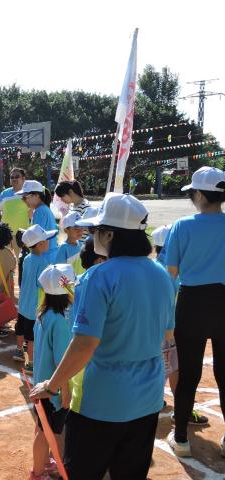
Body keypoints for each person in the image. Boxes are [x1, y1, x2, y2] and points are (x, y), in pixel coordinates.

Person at [30, 193, 176, 480]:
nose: (91, 235)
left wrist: (51, 385)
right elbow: (167, 335)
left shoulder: (97, 277)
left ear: (110, 234)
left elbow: (84, 344)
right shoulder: (162, 275)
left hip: (101, 403)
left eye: (96, 230)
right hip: (148, 399)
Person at [165, 166, 225, 457]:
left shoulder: (182, 226)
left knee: (188, 373)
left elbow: (171, 274)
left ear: (200, 194)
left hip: (191, 303)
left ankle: (181, 439)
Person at [152, 224, 209, 428]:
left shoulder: (153, 268)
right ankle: (181, 410)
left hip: (154, 327)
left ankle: (158, 402)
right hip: (172, 328)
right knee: (175, 369)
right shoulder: (175, 271)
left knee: (159, 366)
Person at [30, 264, 75, 480]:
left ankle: (44, 464)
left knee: (42, 427)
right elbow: (61, 363)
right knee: (45, 432)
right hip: (52, 390)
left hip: (41, 383)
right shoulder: (60, 323)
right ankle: (38, 473)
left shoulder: (43, 314)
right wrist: (65, 392)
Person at [15, 224, 58, 374]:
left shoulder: (27, 258)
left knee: (20, 329)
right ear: (39, 244)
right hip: (33, 307)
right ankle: (31, 364)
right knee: (31, 337)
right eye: (46, 240)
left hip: (23, 304)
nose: (49, 242)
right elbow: (41, 283)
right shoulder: (42, 262)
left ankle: (18, 351)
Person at [0, 167, 30, 256]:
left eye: (17, 176)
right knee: (5, 259)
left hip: (22, 234)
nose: (14, 179)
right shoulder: (5, 193)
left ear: (23, 179)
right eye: (12, 177)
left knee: (19, 260)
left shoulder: (29, 193)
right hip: (5, 234)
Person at [16, 180, 58, 252]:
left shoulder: (40, 211)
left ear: (36, 195)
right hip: (49, 252)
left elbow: (37, 238)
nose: (23, 200)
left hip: (44, 254)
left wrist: (23, 234)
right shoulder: (43, 209)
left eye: (25, 197)